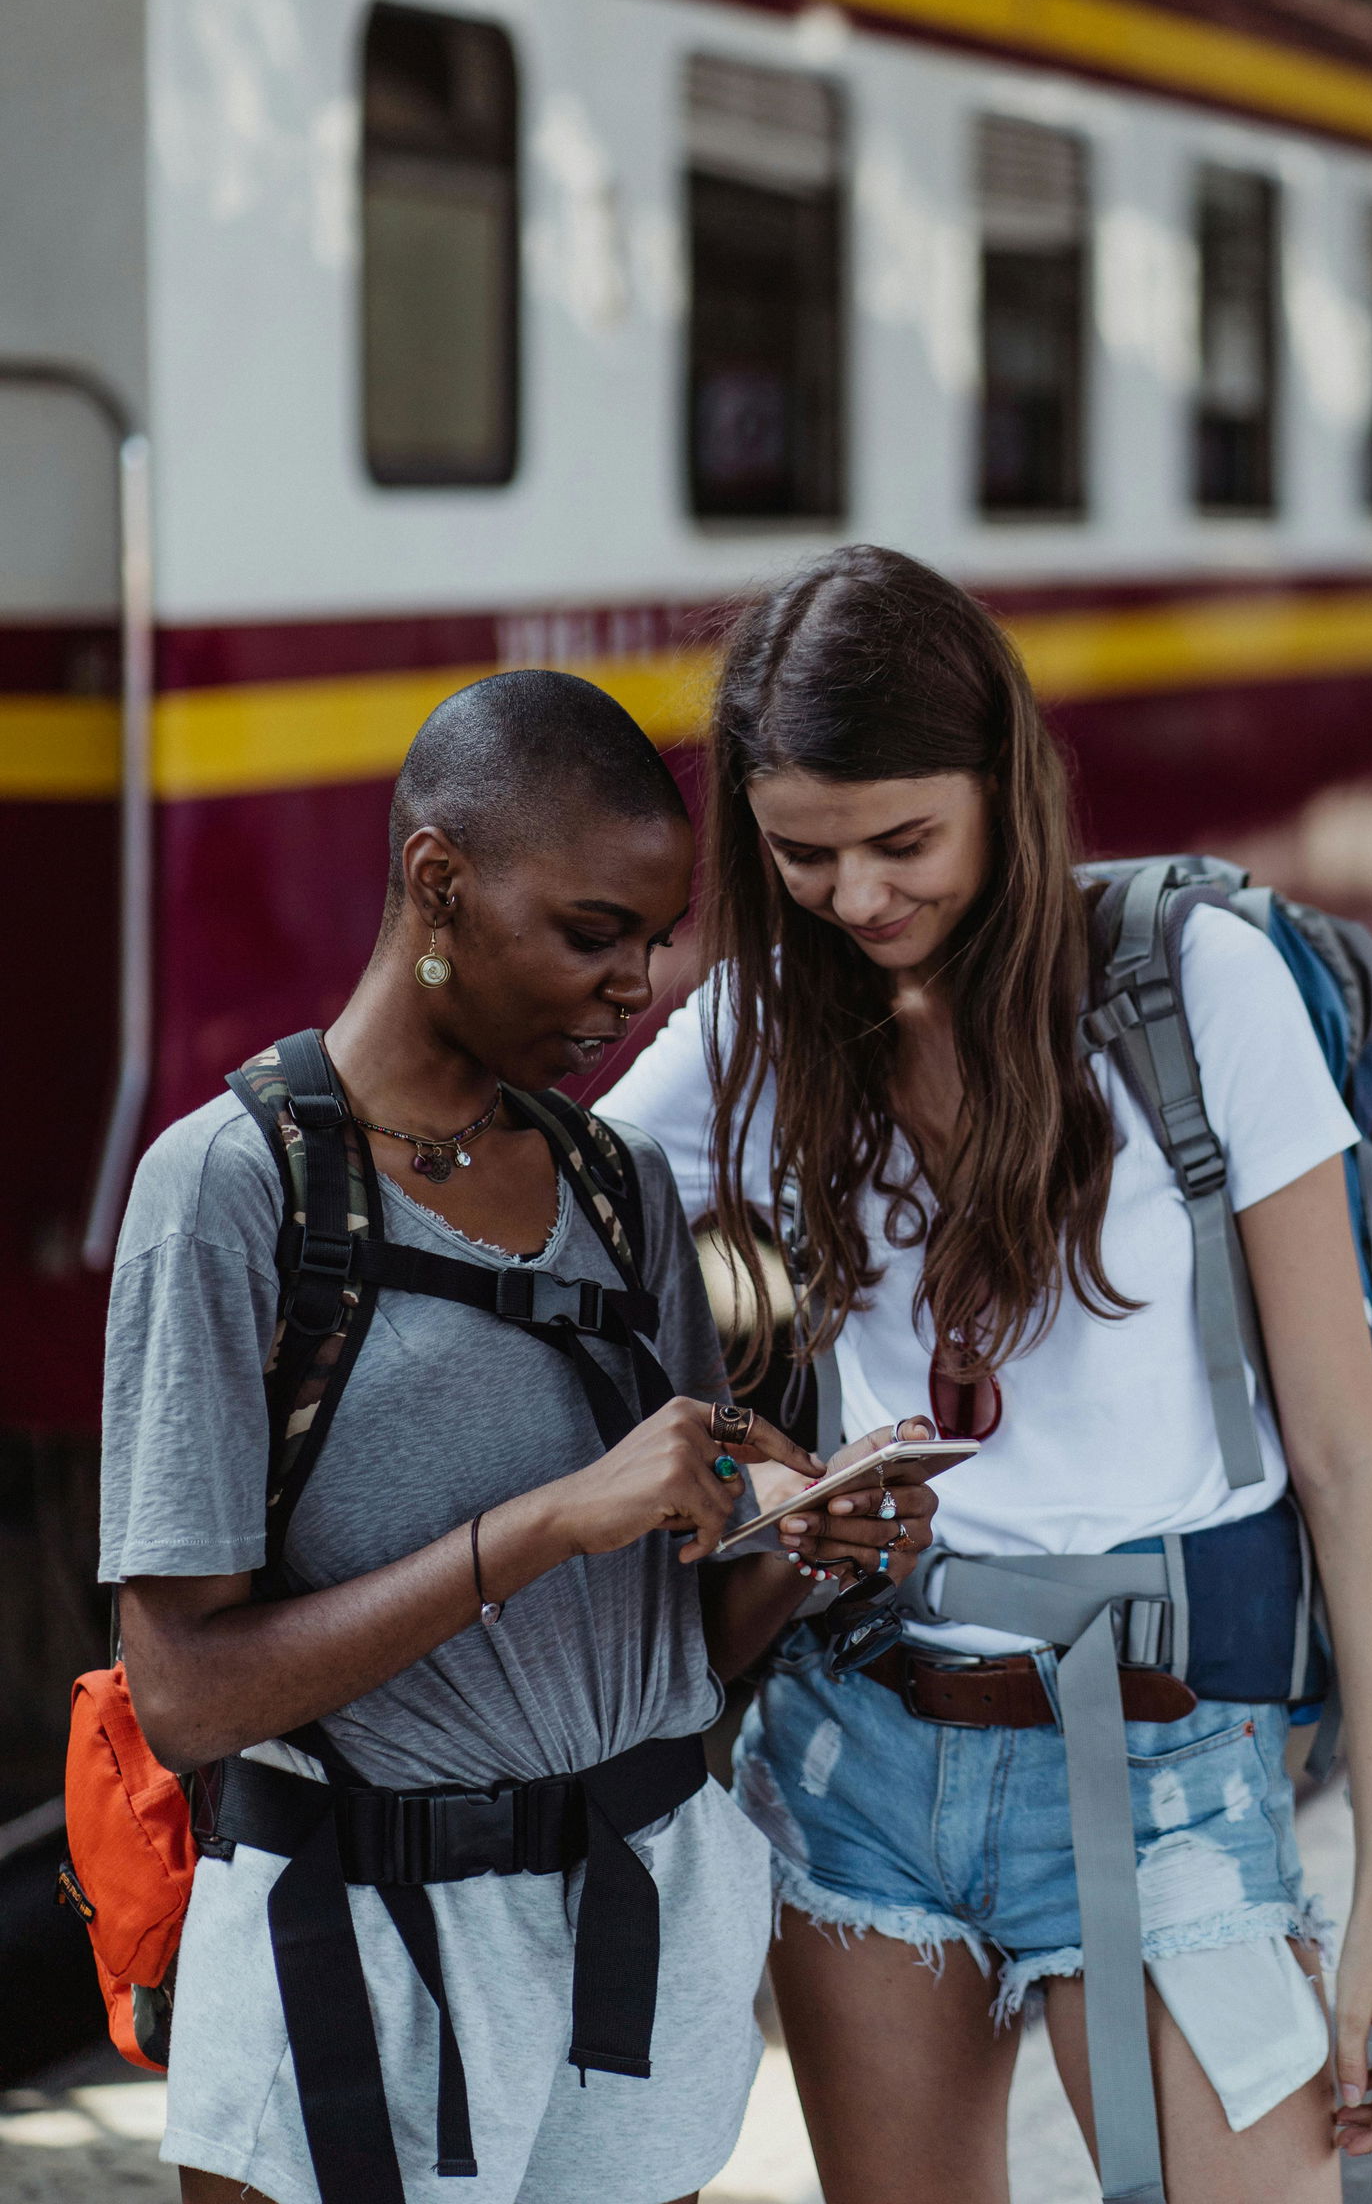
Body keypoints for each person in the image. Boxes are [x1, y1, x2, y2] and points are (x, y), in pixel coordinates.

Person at [604, 547, 1372, 2204]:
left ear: (1008, 785)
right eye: (802, 855)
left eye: (904, 841)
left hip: (1170, 1765)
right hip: (858, 1763)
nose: (855, 897)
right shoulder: (755, 1033)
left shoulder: (1197, 990)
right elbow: (537, 1222)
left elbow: (1352, 1460)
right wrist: (750, 1470)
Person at [98, 668, 939, 2204]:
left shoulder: (617, 1187)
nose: (636, 989)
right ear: (439, 884)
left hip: (636, 1938)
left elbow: (672, 1642)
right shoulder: (230, 1189)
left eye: (654, 941)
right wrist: (543, 1523)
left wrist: (808, 1555)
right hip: (354, 1958)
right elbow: (185, 1696)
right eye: (591, 936)